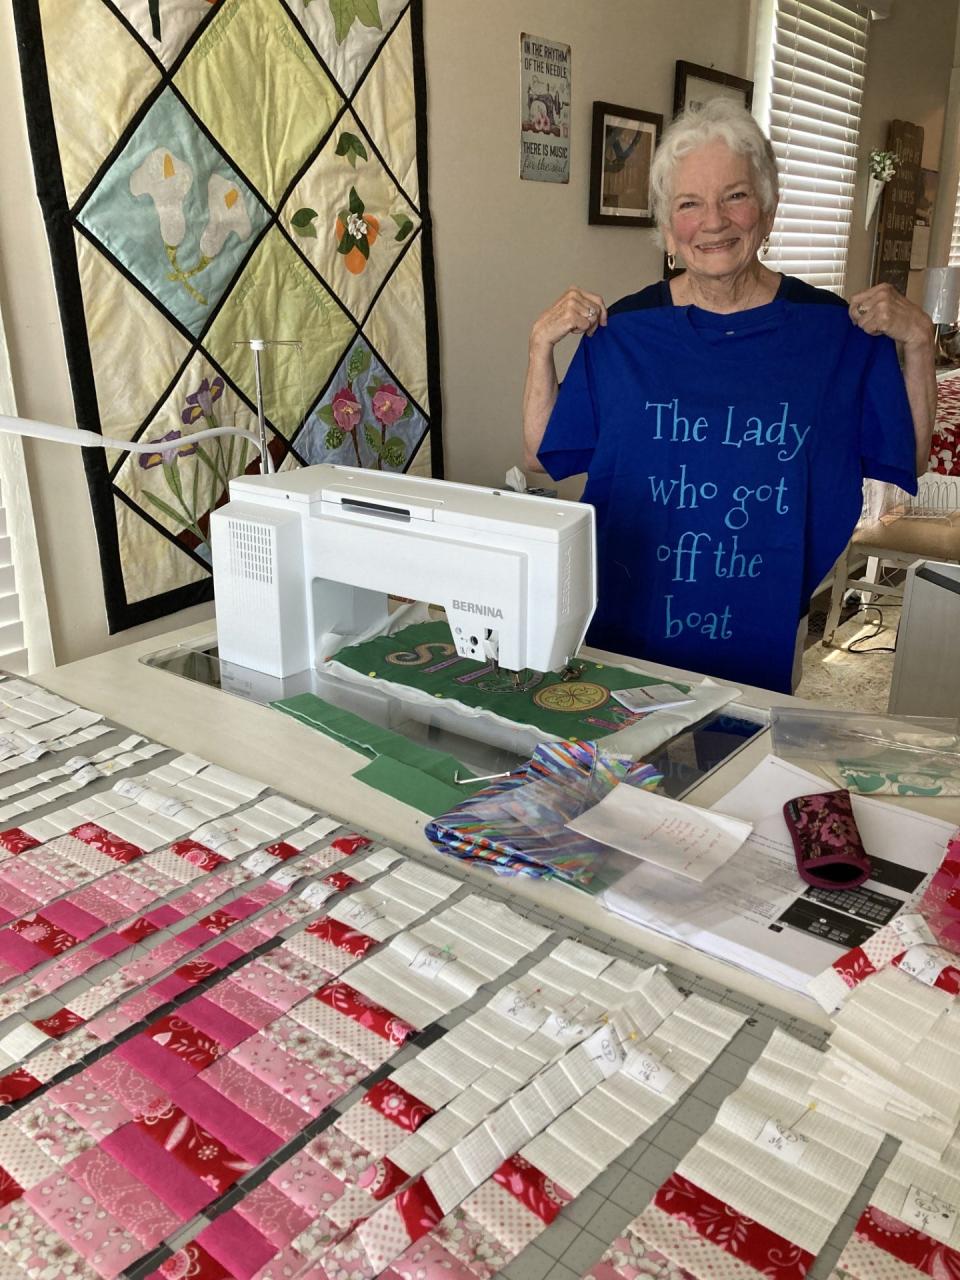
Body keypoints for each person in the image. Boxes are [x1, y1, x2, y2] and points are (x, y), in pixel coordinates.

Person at [522, 98, 936, 693]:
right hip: (630, 614)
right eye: (689, 204)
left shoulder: (831, 329)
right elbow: (543, 457)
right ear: (668, 228)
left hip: (760, 625)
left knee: (735, 765)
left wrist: (919, 344)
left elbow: (907, 457)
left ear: (766, 213)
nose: (713, 222)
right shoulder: (627, 331)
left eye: (735, 196)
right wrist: (541, 346)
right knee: (626, 771)